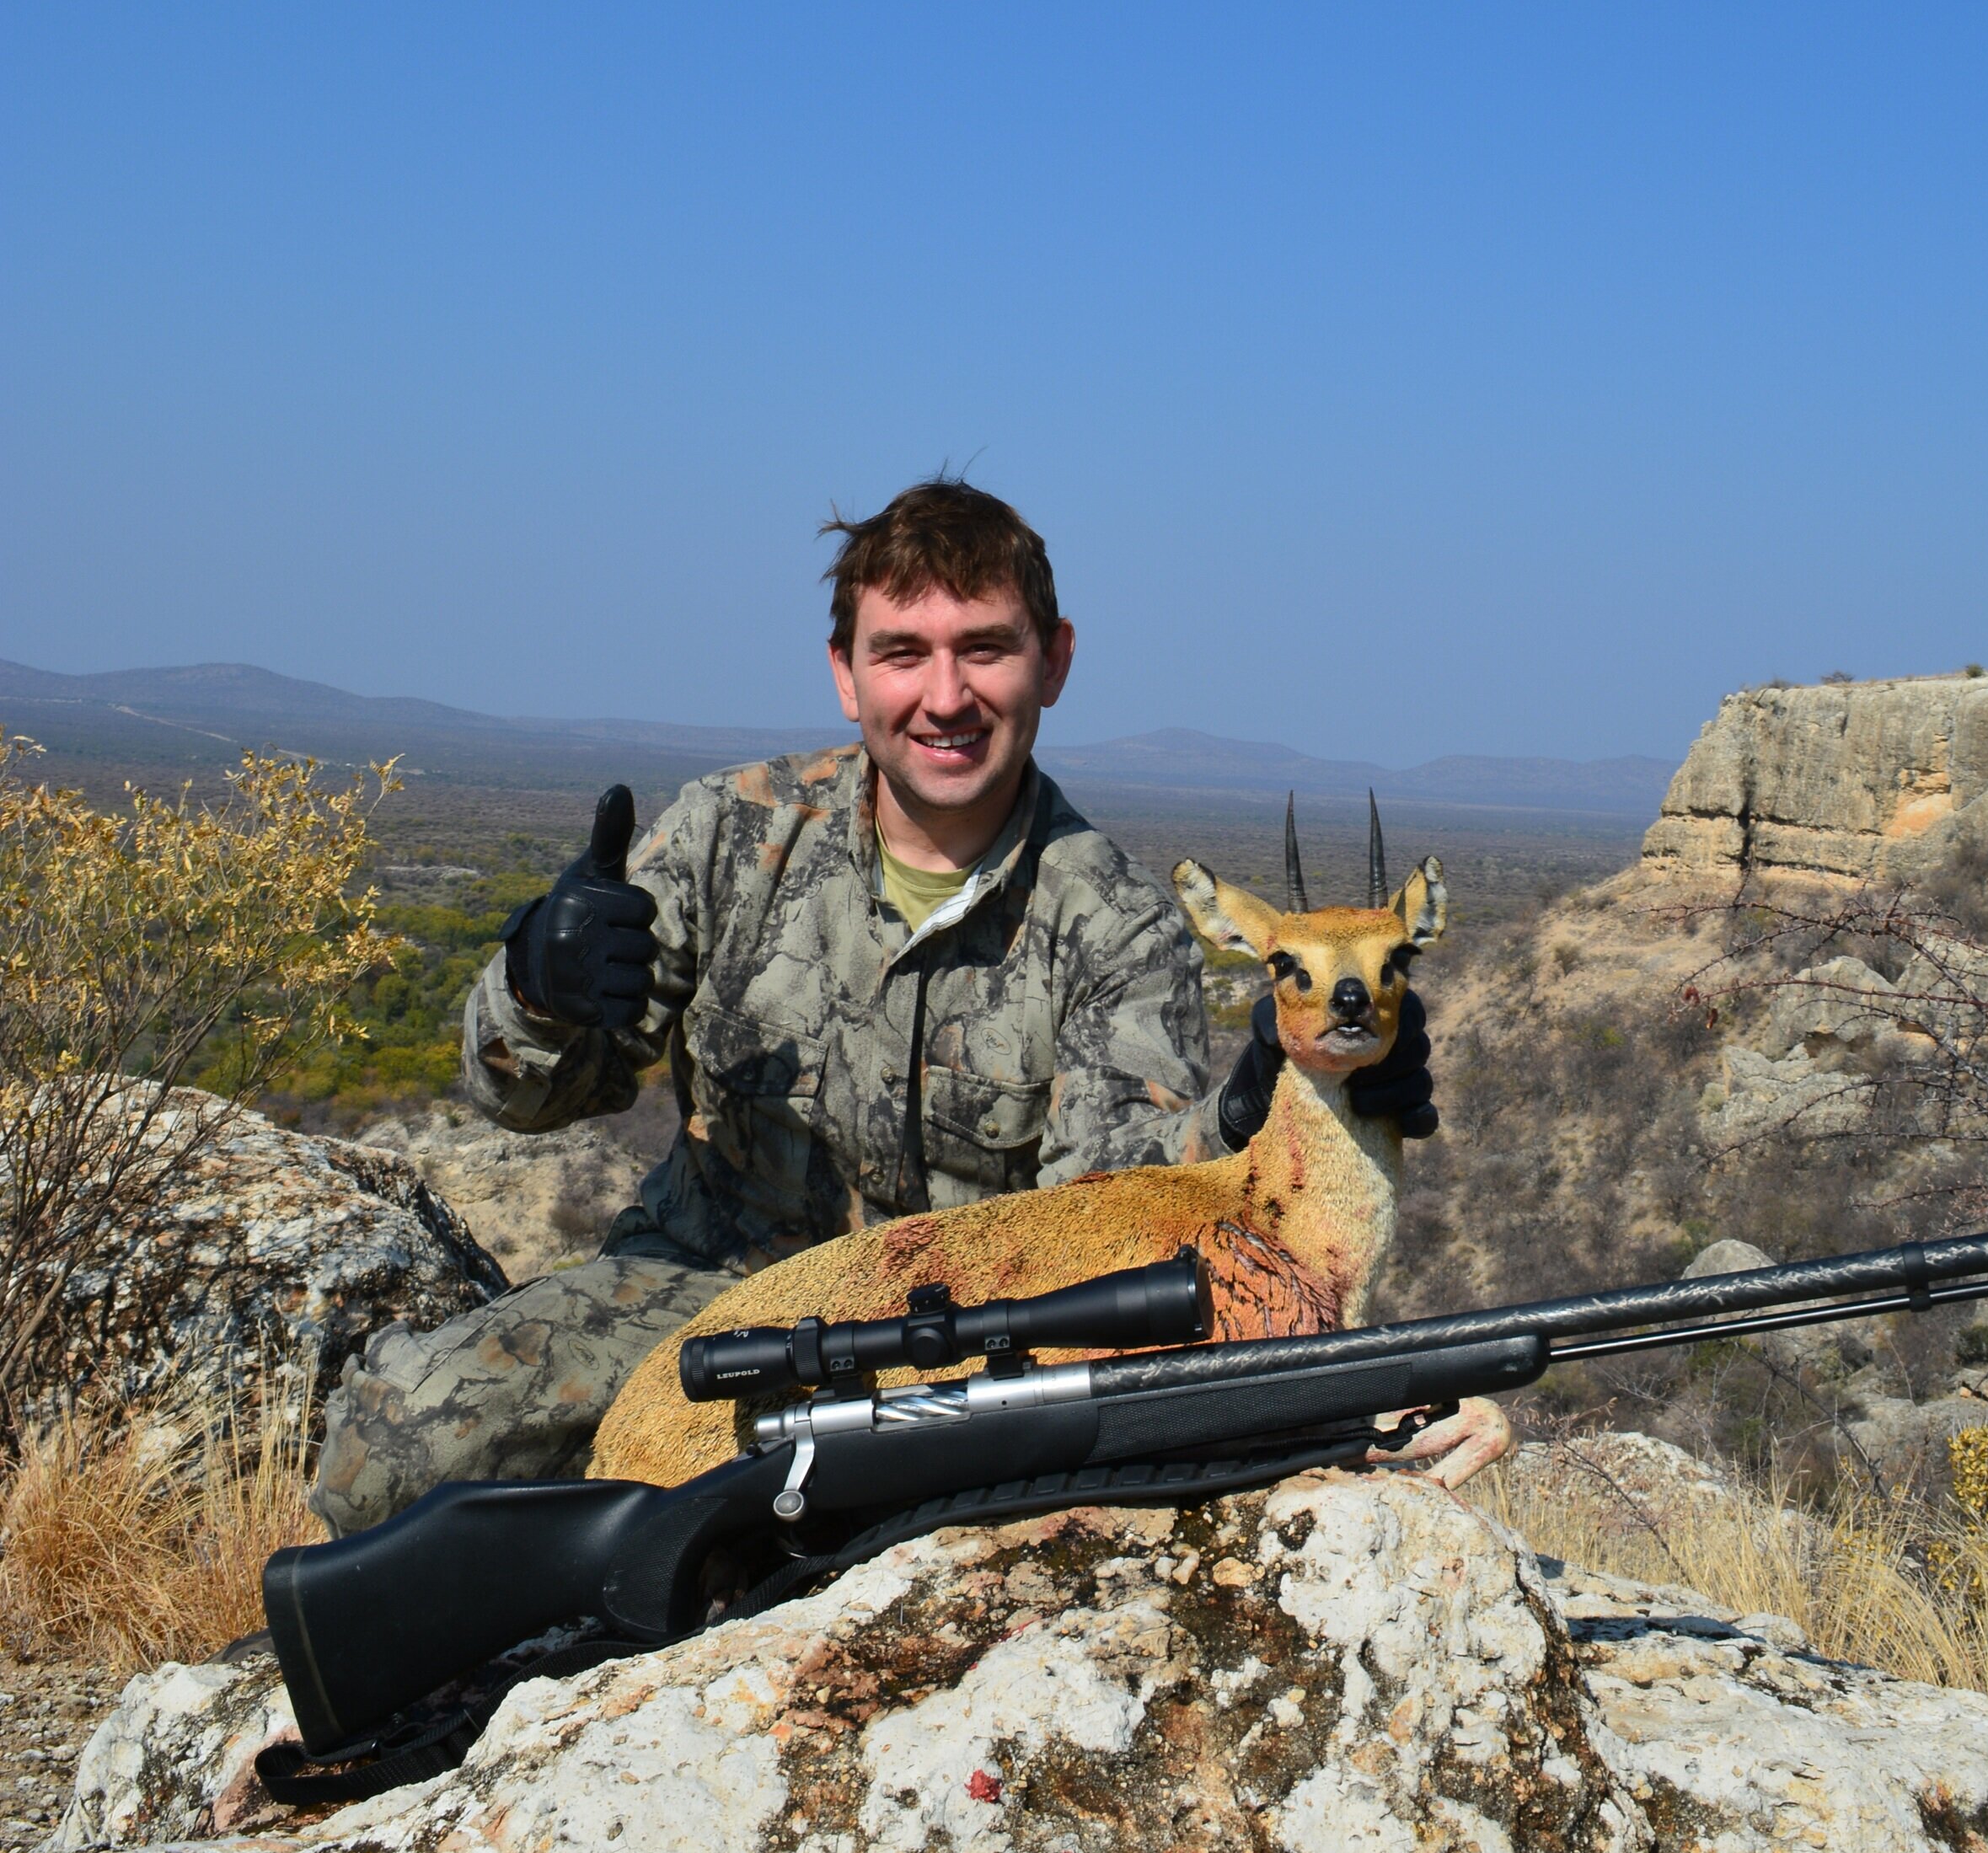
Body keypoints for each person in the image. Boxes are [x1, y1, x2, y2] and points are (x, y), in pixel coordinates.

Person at [311, 479, 1437, 1534]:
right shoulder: (728, 832)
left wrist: (1265, 1097)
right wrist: (537, 991)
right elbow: (524, 1098)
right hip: (693, 1301)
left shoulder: (1118, 922)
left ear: (1053, 662)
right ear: (847, 675)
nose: (944, 697)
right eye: (902, 654)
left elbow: (1109, 1199)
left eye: (984, 649)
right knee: (385, 1458)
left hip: (955, 1334)